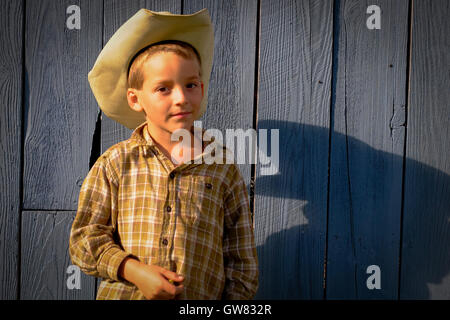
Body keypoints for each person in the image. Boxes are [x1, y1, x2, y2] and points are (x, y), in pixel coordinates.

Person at [69, 8, 258, 300]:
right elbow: (83, 240)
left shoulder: (222, 168)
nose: (182, 97)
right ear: (135, 99)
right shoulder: (115, 164)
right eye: (163, 88)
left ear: (202, 88)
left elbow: (241, 260)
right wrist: (133, 270)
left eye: (190, 85)